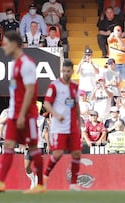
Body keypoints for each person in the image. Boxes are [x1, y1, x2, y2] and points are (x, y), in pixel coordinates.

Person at [0, 32, 44, 193]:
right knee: (8, 145)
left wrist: (22, 114)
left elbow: (30, 91)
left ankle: (41, 184)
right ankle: (0, 182)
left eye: (7, 44)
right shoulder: (14, 64)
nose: (4, 47)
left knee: (33, 147)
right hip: (14, 113)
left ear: (15, 45)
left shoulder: (27, 64)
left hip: (27, 113)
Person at [42, 59, 82, 191]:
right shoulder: (54, 86)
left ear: (71, 71)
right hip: (59, 126)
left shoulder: (75, 86)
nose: (66, 73)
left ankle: (73, 184)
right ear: (61, 71)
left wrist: (79, 124)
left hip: (73, 126)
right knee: (58, 154)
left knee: (76, 154)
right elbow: (46, 103)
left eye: (68, 71)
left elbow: (76, 106)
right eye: (64, 71)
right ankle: (45, 176)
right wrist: (56, 114)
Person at [25, 112, 49, 189]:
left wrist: (48, 144)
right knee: (26, 167)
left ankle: (37, 183)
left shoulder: (43, 119)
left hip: (39, 145)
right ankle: (33, 180)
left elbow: (46, 132)